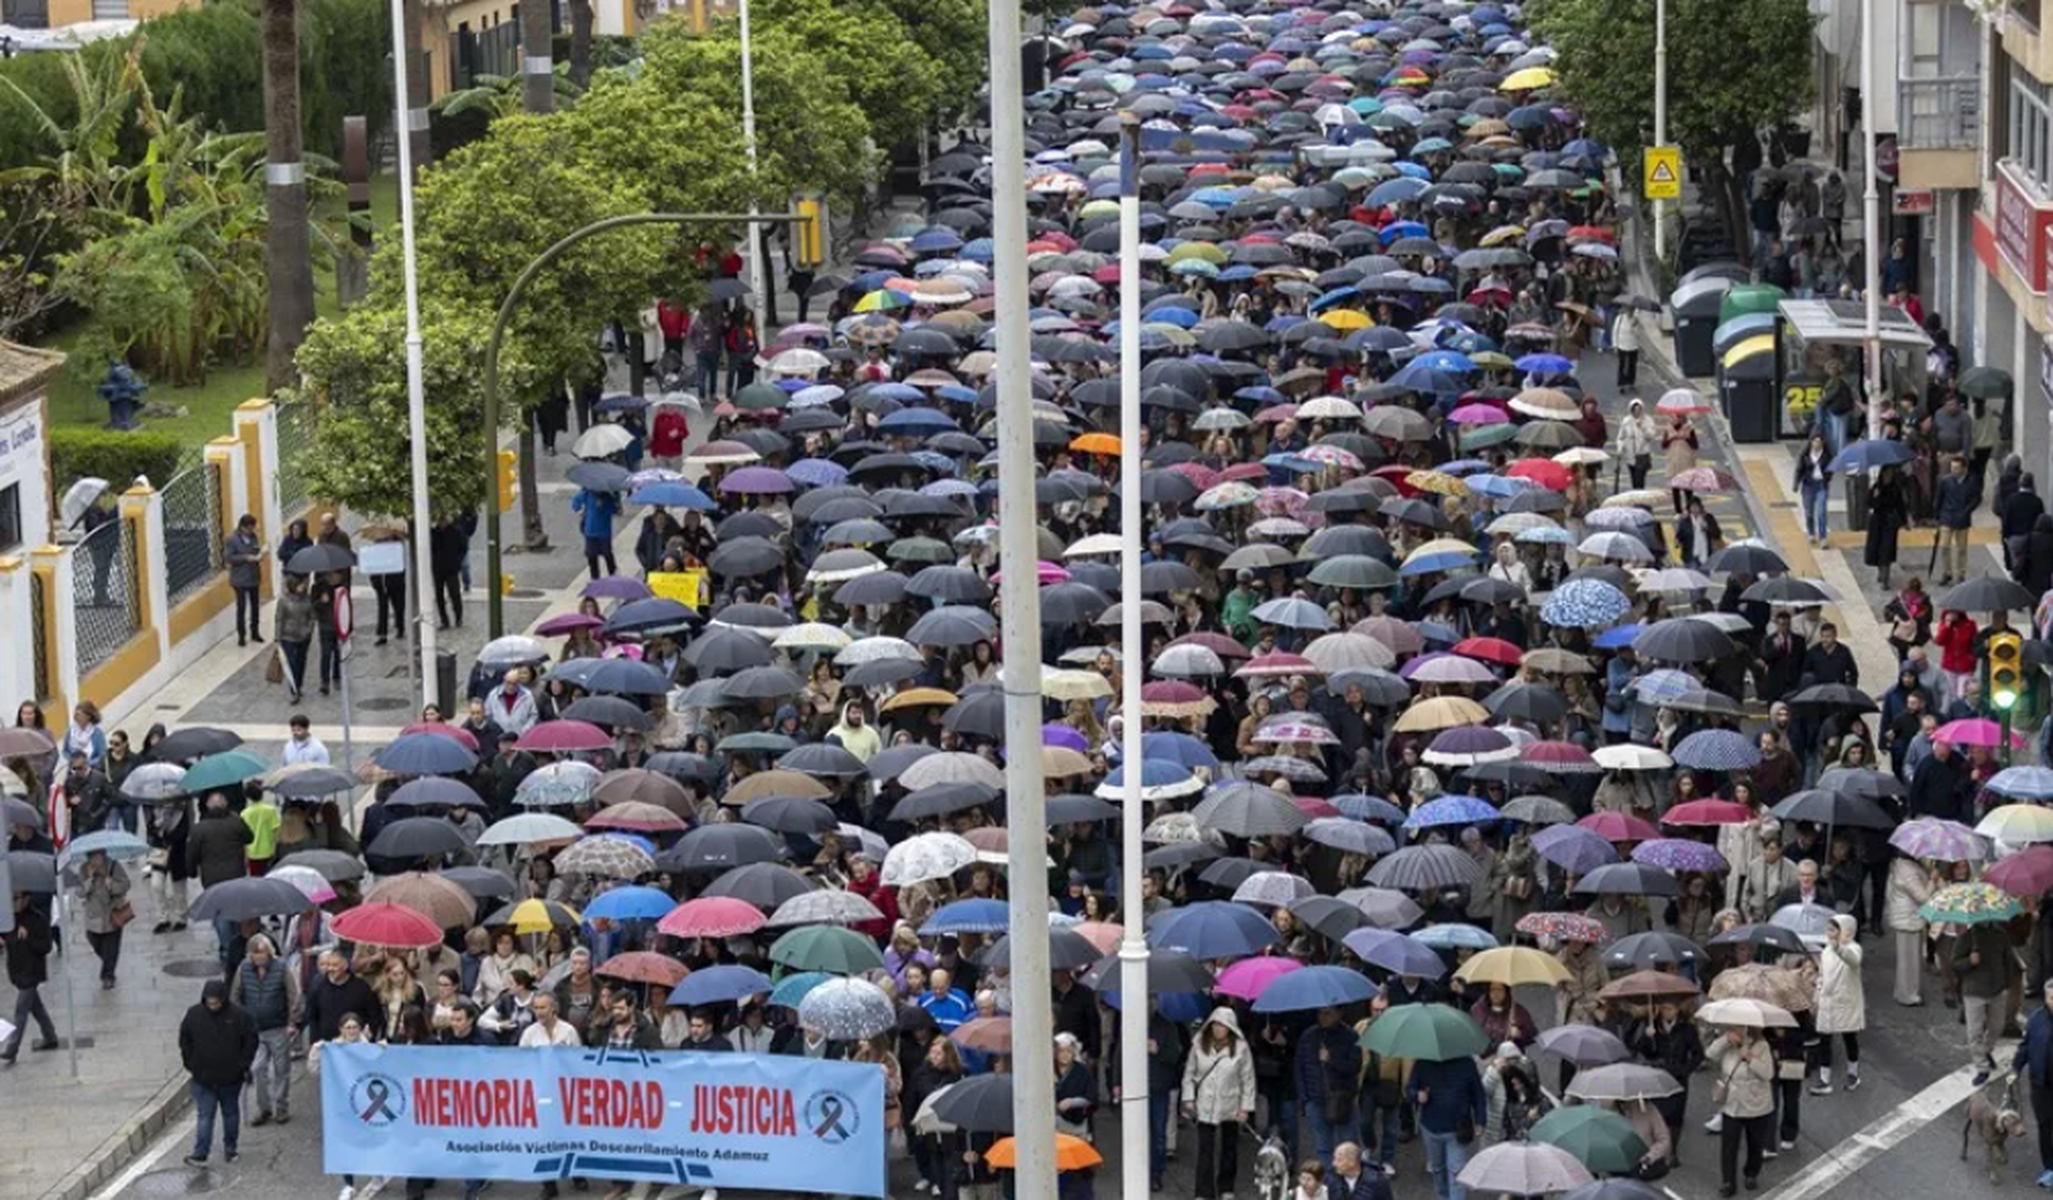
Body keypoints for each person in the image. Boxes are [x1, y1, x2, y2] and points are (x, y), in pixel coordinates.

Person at [179, 979, 259, 1166]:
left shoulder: (239, 1016)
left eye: (215, 1001)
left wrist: (242, 1065)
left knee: (227, 1113)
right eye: (209, 1001)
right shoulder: (195, 1014)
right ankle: (202, 1152)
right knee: (207, 1115)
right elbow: (185, 1041)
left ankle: (229, 1149)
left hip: (229, 1077)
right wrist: (192, 1065)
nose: (212, 1005)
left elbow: (251, 1042)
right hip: (204, 1077)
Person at [1183, 1007, 1257, 1200]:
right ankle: (1203, 1192)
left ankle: (1226, 1187)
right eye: (1215, 1024)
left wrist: (1245, 1107)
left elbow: (1248, 1079)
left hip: (1230, 1105)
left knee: (1229, 1148)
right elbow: (1189, 1073)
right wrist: (1189, 1098)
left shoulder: (1241, 1048)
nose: (1218, 1028)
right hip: (1205, 1104)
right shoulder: (1199, 1044)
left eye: (1222, 1025)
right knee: (1205, 1150)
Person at [230, 933, 302, 1125]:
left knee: (281, 1070)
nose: (259, 958)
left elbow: (293, 995)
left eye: (262, 954)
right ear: (250, 955)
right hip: (255, 1030)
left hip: (278, 1028)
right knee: (258, 1068)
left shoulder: (281, 967)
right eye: (256, 954)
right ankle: (264, 1108)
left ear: (269, 952)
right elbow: (235, 995)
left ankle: (281, 1108)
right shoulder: (244, 969)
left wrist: (292, 1022)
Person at [1408, 1046, 1486, 1200]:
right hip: (1430, 1128)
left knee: (1457, 1171)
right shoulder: (1422, 1063)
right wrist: (1417, 1095)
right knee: (1438, 1169)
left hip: (1458, 1129)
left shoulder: (1467, 1063)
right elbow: (1409, 1089)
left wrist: (1480, 1121)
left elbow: (1478, 1094)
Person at [1706, 1026, 1774, 1197]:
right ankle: (1728, 1181)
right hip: (1732, 1104)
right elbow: (1710, 1054)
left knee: (1755, 1144)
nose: (1737, 1029)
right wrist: (1725, 1039)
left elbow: (1768, 1073)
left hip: (1756, 1104)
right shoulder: (1728, 1042)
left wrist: (1750, 1058)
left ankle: (1751, 1173)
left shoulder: (1762, 1045)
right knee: (1728, 1146)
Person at [1957, 914, 2017, 1084]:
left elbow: (2008, 960)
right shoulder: (1967, 937)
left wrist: (2006, 983)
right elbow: (1956, 963)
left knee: (1997, 1027)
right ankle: (1982, 1066)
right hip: (1974, 991)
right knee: (1974, 1032)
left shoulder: (2000, 934)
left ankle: (1985, 1050)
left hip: (1997, 990)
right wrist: (1969, 960)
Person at [1810, 914, 1865, 1094]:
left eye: (1834, 930)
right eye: (1829, 930)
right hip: (1827, 1001)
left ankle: (1853, 1074)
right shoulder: (1826, 951)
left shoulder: (1854, 948)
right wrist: (1817, 994)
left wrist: (1838, 948)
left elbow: (1853, 960)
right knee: (1825, 1041)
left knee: (1849, 1038)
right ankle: (1824, 1080)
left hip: (1846, 1002)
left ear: (1846, 931)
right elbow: (1822, 975)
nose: (1830, 933)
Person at [2, 889, 57, 1062]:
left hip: (32, 972)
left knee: (21, 1011)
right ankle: (50, 1037)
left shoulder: (38, 918)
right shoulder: (9, 918)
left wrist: (28, 938)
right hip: (17, 970)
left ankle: (12, 1048)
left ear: (26, 899)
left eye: (16, 898)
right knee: (36, 1007)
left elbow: (46, 946)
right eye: (11, 898)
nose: (13, 902)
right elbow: (7, 938)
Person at [2014, 977, 2053, 1188]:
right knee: (2045, 1127)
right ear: (2046, 998)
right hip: (2041, 1086)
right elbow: (2025, 1047)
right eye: (2052, 998)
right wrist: (2015, 1068)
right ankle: (2050, 1167)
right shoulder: (2036, 1019)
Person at [76, 847, 131, 988]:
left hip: (113, 914)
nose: (95, 860)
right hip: (93, 916)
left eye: (98, 856)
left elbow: (126, 884)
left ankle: (108, 976)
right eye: (92, 857)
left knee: (111, 947)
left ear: (103, 855)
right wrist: (89, 880)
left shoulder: (113, 866)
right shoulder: (84, 869)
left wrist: (111, 884)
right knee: (94, 941)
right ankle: (108, 963)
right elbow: (79, 892)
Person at [1936, 454, 1979, 585]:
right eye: (1952, 468)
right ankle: (1947, 572)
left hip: (1962, 518)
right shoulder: (1945, 481)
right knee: (1944, 546)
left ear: (1964, 469)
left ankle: (1960, 574)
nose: (1953, 471)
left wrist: (1967, 510)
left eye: (1956, 468)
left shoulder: (1971, 481)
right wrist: (1937, 515)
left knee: (1961, 548)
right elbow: (1939, 499)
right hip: (1947, 516)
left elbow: (1976, 498)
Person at [274, 575, 316, 703]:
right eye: (300, 585)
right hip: (288, 637)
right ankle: (294, 689)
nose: (303, 587)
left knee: (301, 662)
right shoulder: (283, 601)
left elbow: (312, 616)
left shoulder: (307, 599)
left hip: (304, 636)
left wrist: (309, 630)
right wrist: (277, 637)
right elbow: (279, 619)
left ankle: (299, 685)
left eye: (303, 584)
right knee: (291, 664)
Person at [225, 514, 264, 646]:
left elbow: (255, 548)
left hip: (253, 576)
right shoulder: (232, 539)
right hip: (240, 579)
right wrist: (246, 558)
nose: (251, 531)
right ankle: (241, 635)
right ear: (242, 527)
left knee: (255, 606)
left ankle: (255, 632)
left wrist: (259, 554)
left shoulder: (253, 537)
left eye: (253, 528)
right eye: (249, 528)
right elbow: (229, 558)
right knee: (241, 607)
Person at [572, 485, 621, 581]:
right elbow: (575, 502)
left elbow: (614, 510)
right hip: (590, 531)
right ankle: (595, 578)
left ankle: (613, 574)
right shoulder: (587, 493)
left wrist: (605, 506)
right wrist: (580, 510)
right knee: (592, 556)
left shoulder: (608, 496)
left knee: (607, 554)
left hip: (604, 531)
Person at [1793, 434, 1831, 547]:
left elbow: (1831, 469)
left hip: (1821, 486)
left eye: (1820, 441)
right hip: (1808, 486)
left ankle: (1823, 537)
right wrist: (1796, 483)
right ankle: (1811, 532)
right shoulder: (1805, 455)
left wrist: (1827, 478)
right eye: (1815, 441)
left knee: (1821, 512)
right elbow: (1799, 470)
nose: (1817, 444)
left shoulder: (1826, 455)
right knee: (1809, 512)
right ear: (1811, 442)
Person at [1327, 1143, 1393, 1200]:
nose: (1334, 1163)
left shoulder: (1377, 1182)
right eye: (1334, 1159)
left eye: (1339, 1160)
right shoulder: (1331, 1176)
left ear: (1352, 1162)